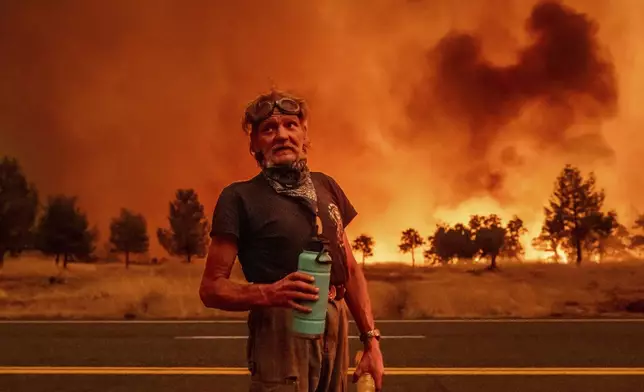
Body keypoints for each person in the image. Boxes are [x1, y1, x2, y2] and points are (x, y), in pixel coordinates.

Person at [199, 89, 385, 392]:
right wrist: (269, 294)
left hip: (336, 321)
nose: (282, 135)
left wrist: (370, 342)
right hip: (279, 328)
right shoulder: (239, 197)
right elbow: (211, 288)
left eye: (290, 124)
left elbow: (349, 269)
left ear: (304, 134)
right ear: (254, 143)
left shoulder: (327, 186)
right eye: (269, 129)